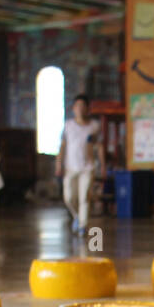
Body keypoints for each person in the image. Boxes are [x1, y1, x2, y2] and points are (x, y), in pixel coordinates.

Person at [57, 93, 102, 234]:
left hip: (87, 167)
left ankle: (83, 225)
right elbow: (62, 146)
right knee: (69, 197)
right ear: (73, 108)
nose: (80, 109)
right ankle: (77, 216)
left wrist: (102, 164)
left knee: (84, 197)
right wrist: (59, 163)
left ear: (88, 109)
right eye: (77, 106)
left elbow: (99, 146)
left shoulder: (94, 126)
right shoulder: (68, 126)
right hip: (70, 167)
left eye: (83, 106)